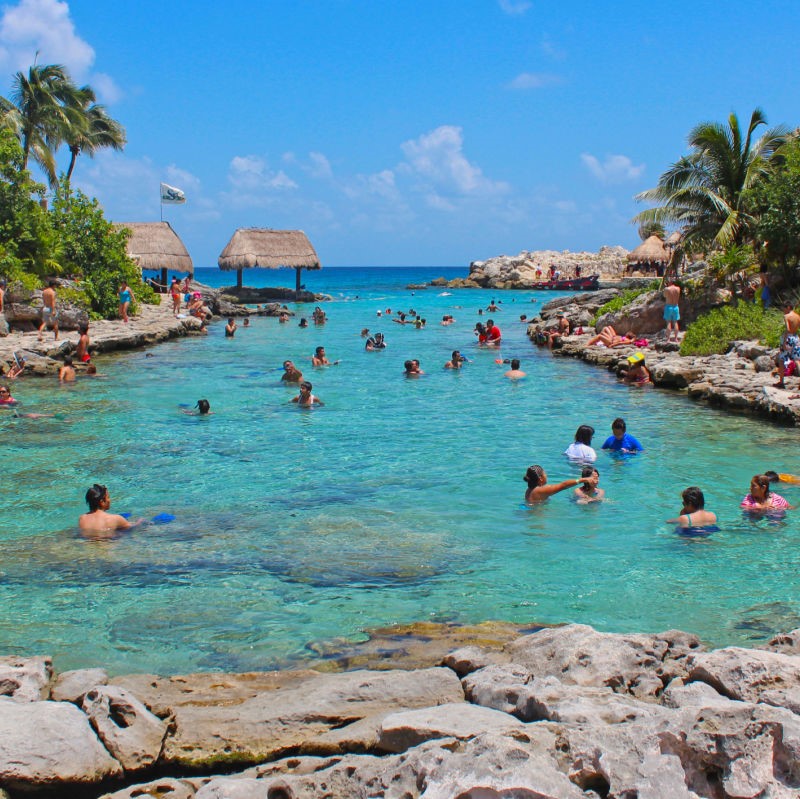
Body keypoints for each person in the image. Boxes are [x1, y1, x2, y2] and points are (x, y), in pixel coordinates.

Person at [524, 464, 593, 503]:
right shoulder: (541, 490)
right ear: (541, 478)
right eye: (545, 473)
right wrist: (583, 479)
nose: (546, 475)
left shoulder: (529, 490)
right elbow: (564, 485)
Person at [773, 302, 800, 389]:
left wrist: (784, 342)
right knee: (797, 360)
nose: (783, 310)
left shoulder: (787, 316)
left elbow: (788, 329)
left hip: (788, 338)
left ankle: (781, 382)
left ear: (788, 307)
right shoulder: (798, 316)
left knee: (782, 359)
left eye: (784, 308)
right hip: (796, 337)